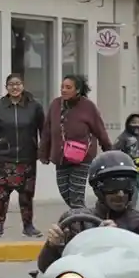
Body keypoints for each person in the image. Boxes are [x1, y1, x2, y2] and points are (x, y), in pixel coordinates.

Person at [36, 150, 139, 271]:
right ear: (98, 188)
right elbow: (46, 268)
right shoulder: (76, 222)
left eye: (127, 185)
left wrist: (119, 239)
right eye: (112, 186)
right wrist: (52, 246)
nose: (120, 193)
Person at [0, 72, 45, 238]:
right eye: (11, 84)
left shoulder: (34, 106)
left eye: (18, 84)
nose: (15, 87)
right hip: (4, 159)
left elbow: (43, 130)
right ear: (6, 87)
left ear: (23, 86)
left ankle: (28, 226)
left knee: (26, 195)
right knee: (1, 195)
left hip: (27, 158)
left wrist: (42, 150)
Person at [42, 74, 113, 210]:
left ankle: (81, 225)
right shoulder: (56, 104)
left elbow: (100, 130)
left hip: (81, 158)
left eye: (68, 87)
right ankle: (86, 218)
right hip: (61, 158)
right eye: (62, 87)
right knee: (66, 194)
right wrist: (43, 153)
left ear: (78, 90)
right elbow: (47, 130)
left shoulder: (88, 106)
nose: (63, 90)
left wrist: (109, 151)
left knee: (76, 197)